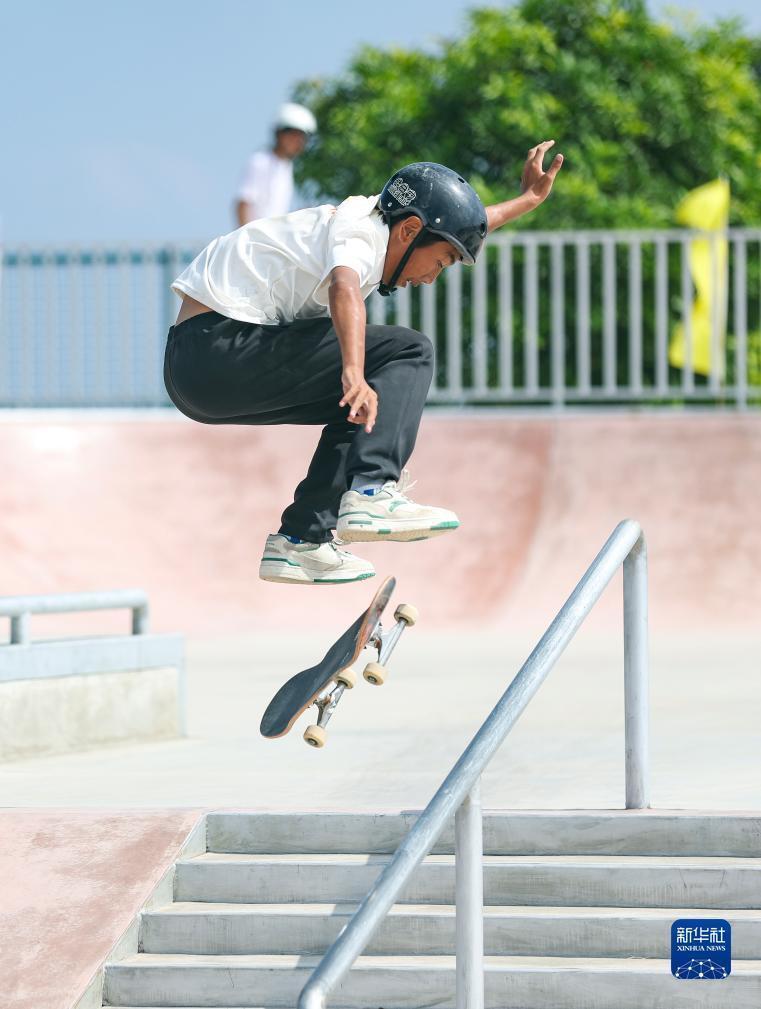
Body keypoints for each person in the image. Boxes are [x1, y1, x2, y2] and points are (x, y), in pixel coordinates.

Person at [165, 141, 564, 585]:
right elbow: (344, 288)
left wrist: (527, 201)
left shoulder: (387, 224)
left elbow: (456, 223)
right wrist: (353, 371)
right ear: (409, 231)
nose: (430, 278)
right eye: (440, 262)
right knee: (408, 351)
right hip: (217, 346)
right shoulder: (360, 232)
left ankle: (301, 541)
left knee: (366, 403)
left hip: (202, 371)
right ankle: (372, 489)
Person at [235, 103, 317, 226]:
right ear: (280, 134)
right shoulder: (261, 161)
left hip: (272, 235)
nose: (298, 142)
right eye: (294, 135)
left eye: (302, 138)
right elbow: (243, 203)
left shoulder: (286, 166)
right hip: (256, 234)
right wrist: (245, 235)